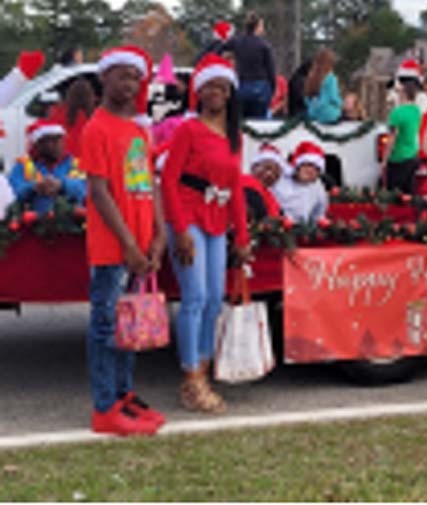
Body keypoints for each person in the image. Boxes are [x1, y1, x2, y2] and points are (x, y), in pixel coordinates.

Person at [80, 45, 166, 436]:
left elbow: (151, 184)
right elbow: (99, 192)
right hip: (115, 248)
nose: (130, 84)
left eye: (136, 78)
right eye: (122, 76)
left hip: (142, 246)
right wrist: (129, 244)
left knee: (131, 325)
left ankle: (125, 395)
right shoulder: (96, 128)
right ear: (104, 78)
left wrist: (159, 233)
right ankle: (104, 407)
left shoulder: (138, 130)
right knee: (105, 326)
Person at [160, 54, 250, 413]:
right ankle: (191, 378)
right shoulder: (188, 129)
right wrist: (179, 229)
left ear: (229, 92)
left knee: (215, 299)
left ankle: (204, 368)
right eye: (208, 86)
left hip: (217, 220)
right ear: (198, 92)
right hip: (189, 216)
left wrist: (242, 236)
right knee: (194, 297)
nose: (215, 92)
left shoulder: (234, 136)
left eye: (221, 86)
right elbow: (168, 180)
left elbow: (236, 187)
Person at [9, 120, 86, 215]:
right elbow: (12, 194)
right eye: (49, 141)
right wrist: (34, 187)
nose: (54, 145)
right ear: (37, 144)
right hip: (34, 225)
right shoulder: (23, 165)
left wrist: (62, 185)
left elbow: (87, 192)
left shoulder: (78, 164)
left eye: (58, 139)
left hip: (74, 225)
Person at [224, 12, 276, 119]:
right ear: (257, 27)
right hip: (260, 86)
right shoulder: (264, 45)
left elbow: (221, 47)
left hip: (242, 85)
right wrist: (272, 88)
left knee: (239, 122)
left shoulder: (237, 41)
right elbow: (270, 69)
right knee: (259, 123)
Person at [382, 72, 422, 194]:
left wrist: (384, 159)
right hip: (412, 155)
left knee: (394, 193)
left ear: (403, 93)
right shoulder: (416, 111)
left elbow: (392, 137)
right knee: (408, 192)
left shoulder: (397, 113)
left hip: (398, 157)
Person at [273, 141, 329, 223]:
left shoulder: (318, 186)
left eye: (316, 168)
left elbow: (319, 213)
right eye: (308, 165)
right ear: (298, 166)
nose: (310, 170)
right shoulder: (279, 182)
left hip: (303, 230)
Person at [47, 77, 96, 158]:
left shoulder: (58, 113)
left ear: (70, 95)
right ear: (90, 97)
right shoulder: (94, 117)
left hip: (63, 160)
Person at [242, 143, 285, 221]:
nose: (270, 175)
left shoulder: (270, 196)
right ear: (254, 167)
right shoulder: (245, 185)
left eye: (276, 173)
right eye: (267, 168)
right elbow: (260, 214)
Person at [304, 48, 343, 124]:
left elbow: (306, 99)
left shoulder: (310, 77)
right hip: (329, 115)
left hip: (313, 114)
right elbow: (333, 97)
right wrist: (341, 104)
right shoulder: (331, 78)